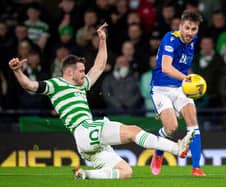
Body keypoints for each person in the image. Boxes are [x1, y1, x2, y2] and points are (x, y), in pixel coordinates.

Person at [8, 23, 195, 179]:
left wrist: (103, 40)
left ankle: (86, 175)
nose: (84, 73)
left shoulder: (81, 85)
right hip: (85, 128)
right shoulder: (55, 84)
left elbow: (99, 66)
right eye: (81, 70)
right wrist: (17, 71)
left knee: (126, 172)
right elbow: (30, 86)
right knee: (134, 131)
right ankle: (177, 148)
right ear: (69, 72)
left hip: (84, 143)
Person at [150, 10, 206, 177]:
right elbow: (166, 68)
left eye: (193, 29)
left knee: (193, 123)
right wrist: (188, 79)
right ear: (180, 26)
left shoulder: (193, 40)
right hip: (161, 89)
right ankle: (158, 153)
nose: (190, 32)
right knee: (171, 127)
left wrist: (187, 84)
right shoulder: (170, 39)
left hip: (181, 88)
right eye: (187, 28)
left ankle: (196, 168)